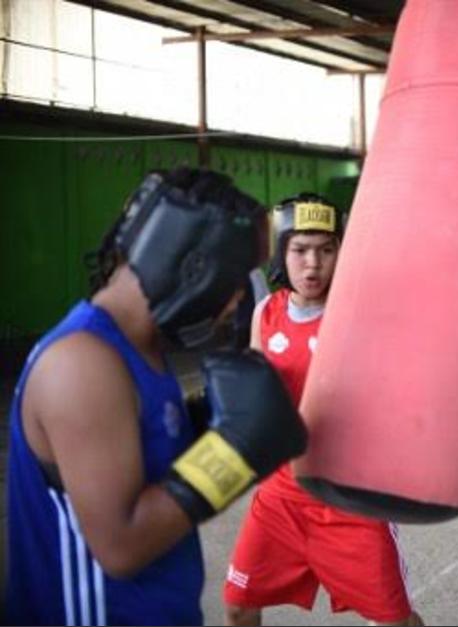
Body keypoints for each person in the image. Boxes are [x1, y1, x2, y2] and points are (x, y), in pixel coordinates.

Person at [3, 168, 307, 625]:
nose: (238, 299)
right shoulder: (84, 365)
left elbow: (144, 476)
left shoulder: (140, 351)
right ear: (194, 265)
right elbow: (121, 546)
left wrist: (204, 421)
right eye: (236, 277)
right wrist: (234, 452)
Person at [222, 194, 422, 627]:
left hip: (347, 497)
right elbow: (259, 398)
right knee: (239, 604)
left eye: (325, 250)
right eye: (300, 249)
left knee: (393, 620)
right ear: (283, 252)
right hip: (282, 494)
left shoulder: (361, 317)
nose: (312, 263)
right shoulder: (266, 313)